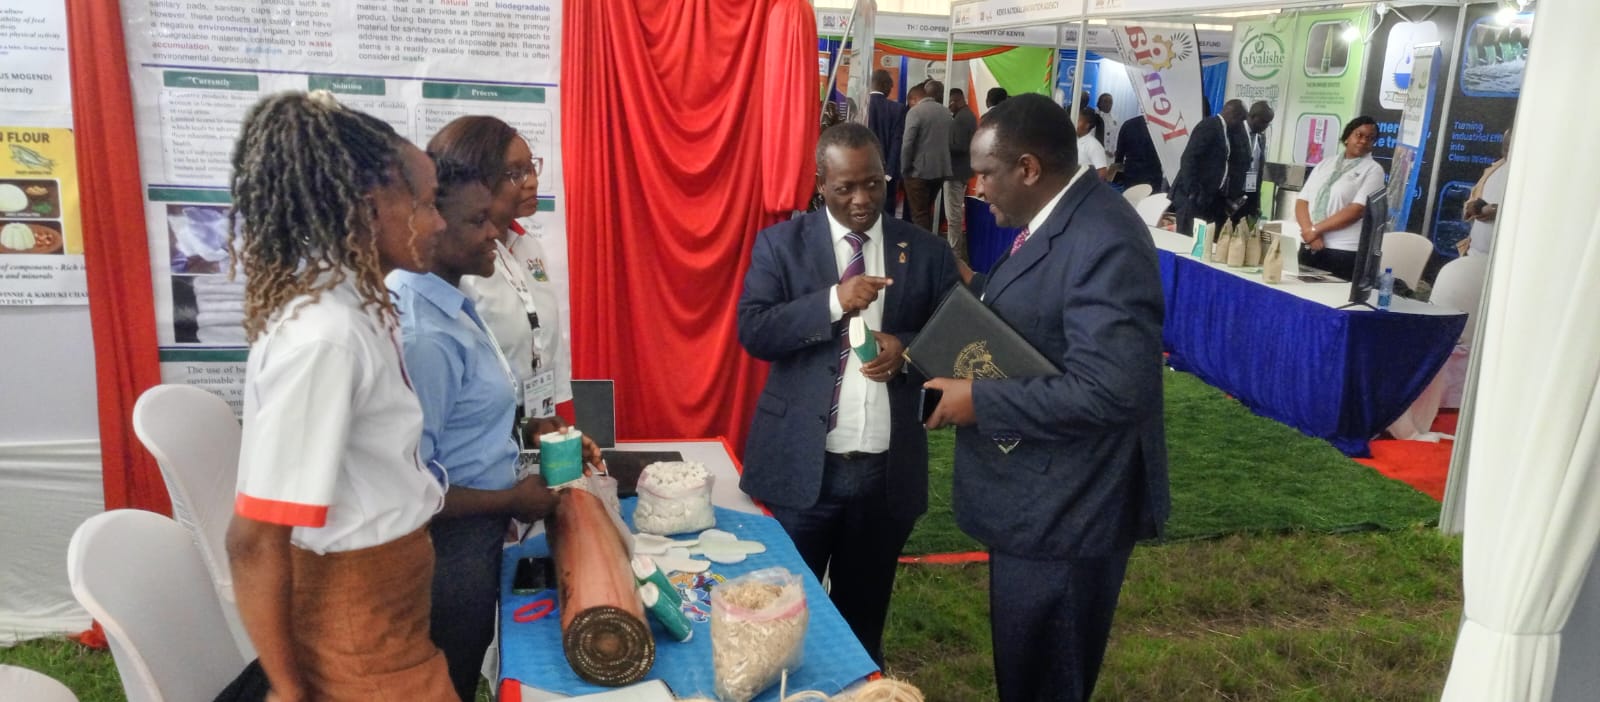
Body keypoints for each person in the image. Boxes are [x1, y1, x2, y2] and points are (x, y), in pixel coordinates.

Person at [922, 94, 1169, 702]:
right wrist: (974, 284)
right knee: (1025, 668)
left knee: (1045, 678)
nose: (978, 187)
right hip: (1042, 498)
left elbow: (1113, 388)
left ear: (1029, 168)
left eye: (986, 173)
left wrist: (979, 401)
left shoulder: (1105, 238)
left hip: (1071, 513)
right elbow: (1046, 310)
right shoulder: (1064, 216)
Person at [224, 91, 456, 701]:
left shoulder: (360, 307)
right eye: (427, 204)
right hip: (358, 628)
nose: (439, 223)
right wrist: (289, 692)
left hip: (385, 607)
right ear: (369, 208)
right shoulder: (325, 337)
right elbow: (254, 541)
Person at [736, 122, 959, 667]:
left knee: (862, 623)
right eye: (845, 188)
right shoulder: (781, 245)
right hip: (801, 471)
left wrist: (906, 350)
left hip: (886, 474)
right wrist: (834, 301)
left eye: (873, 184)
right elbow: (755, 332)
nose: (861, 200)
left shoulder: (925, 251)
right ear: (820, 184)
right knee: (779, 622)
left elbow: (956, 338)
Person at [387, 159, 563, 702]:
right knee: (450, 681)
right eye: (477, 221)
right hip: (447, 550)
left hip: (476, 531)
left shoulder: (454, 304)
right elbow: (411, 487)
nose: (494, 233)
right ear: (432, 225)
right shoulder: (424, 334)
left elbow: (470, 422)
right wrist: (510, 499)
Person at [428, 117, 594, 452]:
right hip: (478, 438)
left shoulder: (528, 245)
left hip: (533, 427)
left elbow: (549, 346)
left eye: (531, 168)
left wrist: (555, 425)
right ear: (478, 180)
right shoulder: (458, 264)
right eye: (515, 173)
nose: (532, 182)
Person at [1295, 116, 1387, 280]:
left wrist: (1315, 230)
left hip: (1342, 251)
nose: (1363, 141)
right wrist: (1309, 232)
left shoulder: (1373, 170)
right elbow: (1302, 201)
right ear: (1347, 137)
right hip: (1310, 244)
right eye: (1359, 135)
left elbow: (1357, 210)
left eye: (1370, 138)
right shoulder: (1325, 164)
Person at [1170, 99, 1250, 237]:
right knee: (1187, 238)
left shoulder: (1226, 132)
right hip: (1191, 196)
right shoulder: (1209, 126)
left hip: (1208, 197)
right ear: (1234, 115)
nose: (1242, 124)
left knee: (1202, 239)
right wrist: (1193, 191)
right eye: (1241, 120)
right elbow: (1189, 158)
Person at [901, 79, 954, 231]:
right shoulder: (946, 112)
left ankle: (924, 244)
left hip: (918, 171)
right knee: (926, 211)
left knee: (919, 215)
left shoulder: (915, 112)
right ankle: (928, 240)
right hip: (940, 171)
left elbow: (908, 143)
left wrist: (905, 169)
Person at [1459, 125, 1512, 257]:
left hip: (1501, 260)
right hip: (1473, 253)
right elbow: (1471, 205)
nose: (1506, 151)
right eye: (1505, 146)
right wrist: (1472, 207)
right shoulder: (1495, 169)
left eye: (1510, 145)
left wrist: (1495, 210)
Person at [868, 70, 907, 217]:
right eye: (891, 86)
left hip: (861, 169)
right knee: (886, 214)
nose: (891, 89)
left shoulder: (861, 106)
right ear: (885, 85)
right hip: (887, 173)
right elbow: (897, 142)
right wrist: (889, 173)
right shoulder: (897, 109)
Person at [946, 88, 978, 264]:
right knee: (955, 212)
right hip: (961, 171)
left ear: (956, 100)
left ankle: (954, 253)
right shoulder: (968, 115)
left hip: (955, 172)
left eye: (950, 102)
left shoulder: (961, 119)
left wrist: (942, 144)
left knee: (953, 215)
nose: (948, 106)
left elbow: (959, 146)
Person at [1234, 101, 1276, 222]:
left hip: (1249, 192)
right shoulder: (1235, 132)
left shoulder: (1261, 137)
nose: (1266, 126)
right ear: (1252, 116)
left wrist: (1256, 203)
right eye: (1264, 121)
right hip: (1232, 195)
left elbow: (1257, 168)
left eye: (1268, 122)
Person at [1114, 115, 1164, 192]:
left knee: (1131, 198)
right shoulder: (1160, 127)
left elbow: (1119, 156)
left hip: (1131, 176)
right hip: (1153, 177)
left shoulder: (1128, 125)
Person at [1076, 110, 1111, 181]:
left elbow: (1102, 173)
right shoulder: (1073, 140)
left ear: (1087, 125)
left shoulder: (1093, 145)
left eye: (1078, 121)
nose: (1074, 123)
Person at [1097, 93, 1121, 157]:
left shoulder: (1115, 118)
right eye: (1105, 101)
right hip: (1097, 153)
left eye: (1110, 102)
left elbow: (1117, 136)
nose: (1108, 104)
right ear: (1099, 103)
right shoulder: (1095, 117)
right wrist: (1104, 150)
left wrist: (1116, 150)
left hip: (1111, 154)